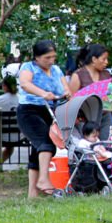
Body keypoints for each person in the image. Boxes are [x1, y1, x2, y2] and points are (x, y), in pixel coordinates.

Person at [16, 40, 72, 197]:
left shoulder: (56, 70)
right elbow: (25, 84)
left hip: (48, 111)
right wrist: (42, 93)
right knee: (45, 143)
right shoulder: (29, 67)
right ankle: (43, 179)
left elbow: (65, 88)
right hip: (29, 111)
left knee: (37, 150)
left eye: (53, 57)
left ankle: (32, 195)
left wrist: (66, 93)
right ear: (37, 57)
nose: (51, 61)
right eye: (47, 57)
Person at [68, 44, 112, 140]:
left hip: (105, 116)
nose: (106, 62)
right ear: (94, 59)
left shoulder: (107, 75)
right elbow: (71, 99)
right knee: (88, 148)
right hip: (85, 119)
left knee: (108, 145)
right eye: (104, 59)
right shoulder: (78, 75)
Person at [0, 75, 20, 161]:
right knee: (9, 148)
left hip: (1, 136)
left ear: (5, 86)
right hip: (20, 136)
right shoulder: (22, 99)